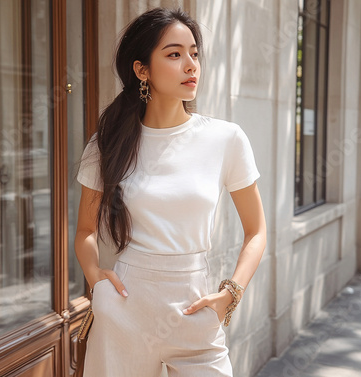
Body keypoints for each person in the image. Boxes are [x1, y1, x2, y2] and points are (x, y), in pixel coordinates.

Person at [75, 7, 267, 377]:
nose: (191, 65)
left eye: (194, 53)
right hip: (124, 311)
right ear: (141, 69)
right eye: (175, 54)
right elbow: (85, 230)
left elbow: (256, 231)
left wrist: (231, 292)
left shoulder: (225, 138)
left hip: (195, 310)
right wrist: (96, 278)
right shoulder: (109, 144)